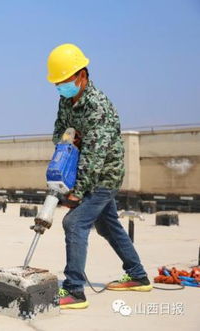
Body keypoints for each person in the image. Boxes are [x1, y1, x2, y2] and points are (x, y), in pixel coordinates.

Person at [46, 44, 152, 309]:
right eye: (57, 83)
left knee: (74, 223)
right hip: (83, 170)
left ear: (82, 75)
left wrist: (76, 193)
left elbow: (95, 156)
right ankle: (138, 275)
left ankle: (74, 290)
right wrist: (70, 139)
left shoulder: (98, 106)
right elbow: (59, 133)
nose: (61, 87)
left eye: (65, 81)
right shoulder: (66, 100)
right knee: (107, 225)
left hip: (104, 175)